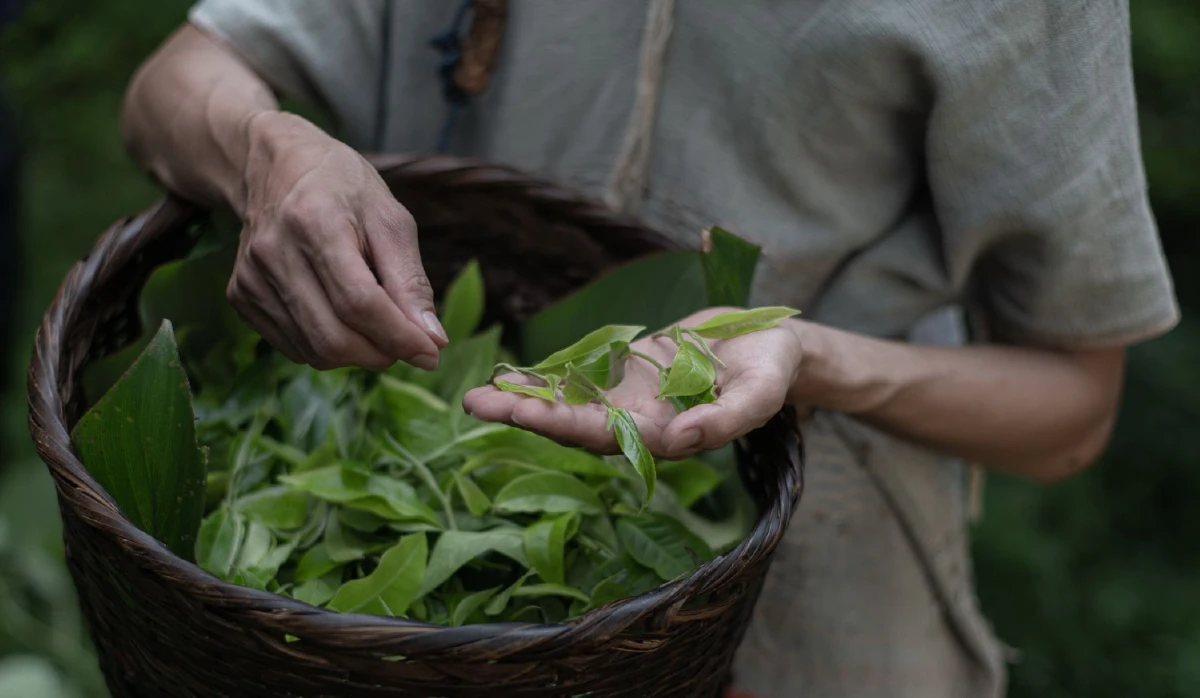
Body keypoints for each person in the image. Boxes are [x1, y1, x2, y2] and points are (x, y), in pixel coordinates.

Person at [120, 2, 1179, 696]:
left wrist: (810, 356)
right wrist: (268, 152)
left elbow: (1073, 408)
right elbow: (174, 82)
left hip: (813, 599)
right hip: (412, 465)